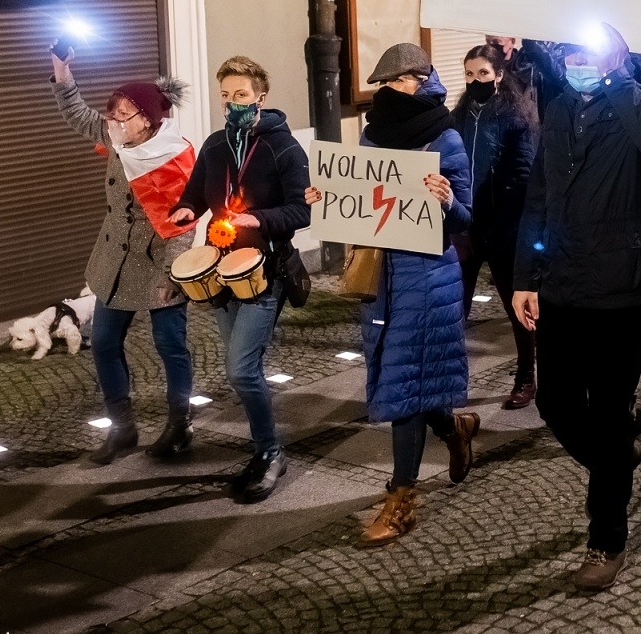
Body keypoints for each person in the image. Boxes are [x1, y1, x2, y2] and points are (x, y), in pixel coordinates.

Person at [513, 23, 641, 593]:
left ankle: (606, 538)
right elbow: (539, 195)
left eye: (588, 50)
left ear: (614, 55)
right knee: (556, 400)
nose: (575, 59)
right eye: (570, 50)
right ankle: (616, 463)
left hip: (623, 286)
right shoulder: (558, 109)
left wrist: (616, 78)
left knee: (609, 411)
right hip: (562, 281)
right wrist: (523, 278)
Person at [309, 43, 478, 545]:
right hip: (382, 276)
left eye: (396, 80)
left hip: (428, 277)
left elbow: (467, 216)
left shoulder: (445, 137)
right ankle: (454, 429)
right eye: (383, 83)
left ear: (420, 80)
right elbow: (362, 201)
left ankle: (401, 497)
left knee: (403, 383)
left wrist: (447, 200)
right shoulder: (371, 136)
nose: (387, 90)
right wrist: (328, 199)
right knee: (406, 375)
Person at [168, 56, 311, 502]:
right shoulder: (214, 145)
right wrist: (188, 207)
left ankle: (271, 453)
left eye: (241, 95)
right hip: (219, 268)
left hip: (263, 270)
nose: (232, 104)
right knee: (241, 370)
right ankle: (263, 448)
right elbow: (195, 189)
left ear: (261, 97)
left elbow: (301, 211)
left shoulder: (283, 149)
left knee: (240, 368)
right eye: (226, 96)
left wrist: (256, 219)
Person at [51, 53, 197, 465]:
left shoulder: (173, 157)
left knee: (170, 346)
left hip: (158, 265)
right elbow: (78, 115)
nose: (112, 121)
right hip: (115, 261)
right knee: (103, 343)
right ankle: (123, 428)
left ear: (147, 120)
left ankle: (179, 425)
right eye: (112, 114)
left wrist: (172, 274)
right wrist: (62, 71)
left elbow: (182, 225)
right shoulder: (120, 140)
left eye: (122, 114)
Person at [451, 44, 537, 409]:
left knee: (516, 309)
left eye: (483, 74)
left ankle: (526, 377)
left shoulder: (516, 115)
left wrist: (504, 225)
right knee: (456, 311)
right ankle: (452, 381)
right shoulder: (458, 115)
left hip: (502, 227)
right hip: (466, 225)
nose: (476, 81)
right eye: (469, 75)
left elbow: (521, 176)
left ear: (499, 75)